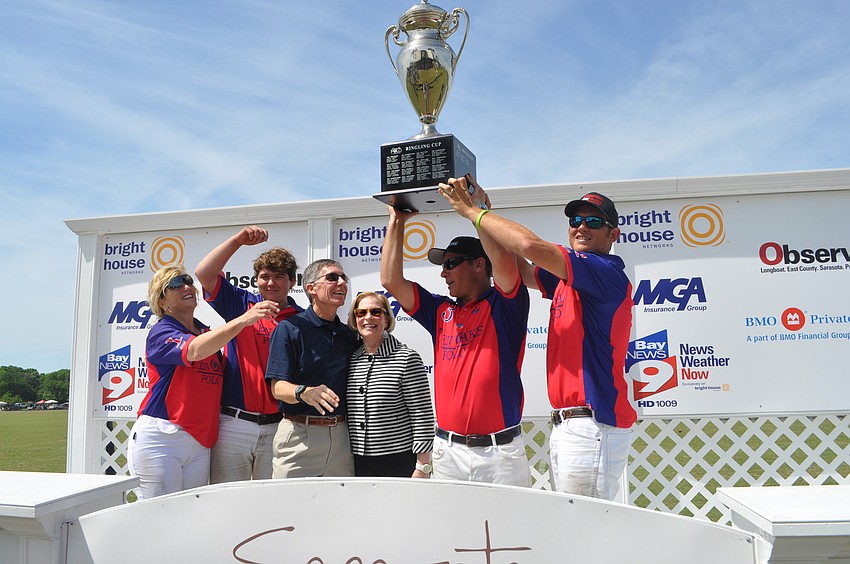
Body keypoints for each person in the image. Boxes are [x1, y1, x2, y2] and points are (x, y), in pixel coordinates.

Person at [442, 183, 636, 501]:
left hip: (591, 425)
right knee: (573, 526)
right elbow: (516, 264)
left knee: (583, 530)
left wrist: (474, 212)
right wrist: (479, 214)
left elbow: (529, 245)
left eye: (594, 222)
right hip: (571, 424)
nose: (582, 227)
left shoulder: (604, 271)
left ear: (613, 234)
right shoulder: (568, 278)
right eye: (576, 221)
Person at [381, 176, 531, 487]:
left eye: (451, 263)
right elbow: (390, 281)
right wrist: (397, 219)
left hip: (500, 453)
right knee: (452, 535)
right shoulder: (440, 310)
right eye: (444, 264)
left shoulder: (505, 305)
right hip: (448, 451)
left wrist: (474, 212)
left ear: (479, 265)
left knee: (510, 535)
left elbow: (503, 261)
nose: (443, 271)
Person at [128, 265, 278, 499]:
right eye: (175, 284)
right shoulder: (162, 331)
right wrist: (243, 320)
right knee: (157, 515)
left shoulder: (204, 331)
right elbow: (194, 351)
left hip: (200, 442)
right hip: (162, 437)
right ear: (162, 301)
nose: (187, 286)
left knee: (190, 516)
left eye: (187, 281)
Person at [194, 225, 303, 484]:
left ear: (292, 282)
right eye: (264, 276)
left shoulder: (301, 321)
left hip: (280, 425)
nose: (271, 283)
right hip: (234, 422)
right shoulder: (242, 304)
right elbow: (204, 273)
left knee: (270, 504)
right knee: (227, 503)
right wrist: (237, 240)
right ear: (256, 279)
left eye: (279, 276)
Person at [265, 259, 359, 478]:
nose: (341, 283)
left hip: (341, 441)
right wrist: (304, 392)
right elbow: (277, 388)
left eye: (343, 278)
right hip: (299, 438)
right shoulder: (289, 328)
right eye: (332, 277)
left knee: (340, 510)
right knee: (290, 511)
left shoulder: (350, 335)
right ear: (311, 288)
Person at [346, 291, 435, 478]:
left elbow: (422, 416)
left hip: (399, 460)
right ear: (355, 320)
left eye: (376, 312)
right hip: (357, 461)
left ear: (386, 319)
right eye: (361, 313)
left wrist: (423, 466)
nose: (368, 317)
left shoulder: (406, 358)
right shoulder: (353, 359)